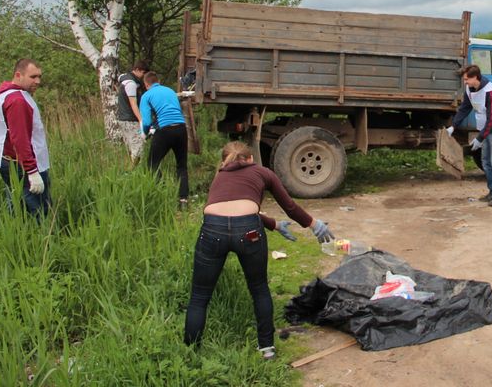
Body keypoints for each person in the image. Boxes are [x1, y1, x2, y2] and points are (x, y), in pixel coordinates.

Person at [183, 141, 334, 360]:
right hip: (249, 232)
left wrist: (273, 224)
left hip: (213, 230)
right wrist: (313, 224)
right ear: (251, 158)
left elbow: (228, 214)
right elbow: (289, 207)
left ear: (224, 161)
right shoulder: (262, 172)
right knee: (259, 289)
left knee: (199, 296)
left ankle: (190, 352)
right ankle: (266, 349)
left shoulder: (219, 177)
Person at [0, 58, 52, 219]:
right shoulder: (17, 100)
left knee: (16, 205)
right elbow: (20, 139)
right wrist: (32, 171)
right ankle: (42, 233)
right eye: (33, 77)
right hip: (19, 163)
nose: (38, 81)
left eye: (39, 76)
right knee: (39, 209)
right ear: (18, 75)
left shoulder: (5, 94)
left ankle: (17, 230)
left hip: (7, 159)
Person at [448, 64, 492, 206]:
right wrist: (453, 126)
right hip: (486, 127)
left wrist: (479, 138)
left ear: (475, 77)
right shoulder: (470, 89)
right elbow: (465, 108)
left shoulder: (491, 92)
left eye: (467, 79)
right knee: (486, 161)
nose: (465, 82)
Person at [139, 71, 190, 208]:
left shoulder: (146, 96)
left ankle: (163, 192)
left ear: (146, 84)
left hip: (164, 130)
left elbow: (146, 121)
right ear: (158, 81)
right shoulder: (170, 91)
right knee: (181, 165)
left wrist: (145, 134)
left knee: (152, 164)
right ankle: (183, 200)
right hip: (181, 128)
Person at [116, 60, 150, 164]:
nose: (144, 76)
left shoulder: (125, 79)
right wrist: (141, 120)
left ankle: (131, 168)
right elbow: (133, 104)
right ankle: (136, 170)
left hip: (123, 118)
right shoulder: (131, 84)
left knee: (131, 148)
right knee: (138, 148)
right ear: (137, 70)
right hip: (130, 120)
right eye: (143, 73)